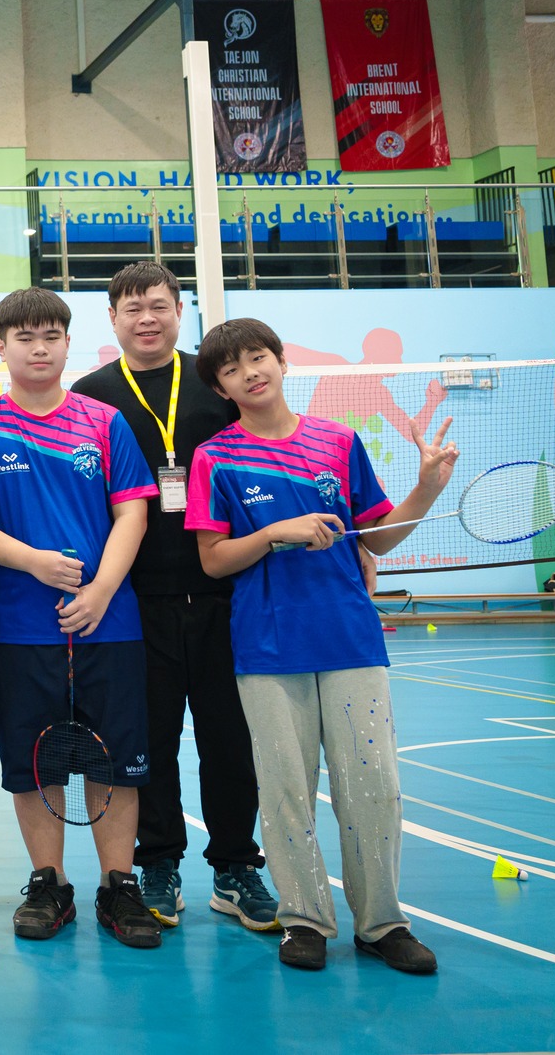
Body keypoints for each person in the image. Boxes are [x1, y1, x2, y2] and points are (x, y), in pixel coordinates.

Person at [187, 317, 456, 976]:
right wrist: (277, 530)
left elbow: (378, 538)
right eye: (232, 368)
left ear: (280, 361)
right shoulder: (215, 457)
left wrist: (427, 486)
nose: (250, 371)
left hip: (349, 637)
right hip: (266, 644)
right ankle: (304, 918)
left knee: (374, 784)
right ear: (222, 387)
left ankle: (382, 922)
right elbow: (214, 560)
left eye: (258, 357)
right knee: (284, 789)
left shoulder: (338, 440)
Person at [69, 263, 279, 930]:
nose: (147, 318)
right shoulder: (90, 396)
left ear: (179, 309)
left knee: (229, 739)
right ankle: (157, 860)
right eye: (132, 308)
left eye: (159, 304)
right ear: (113, 318)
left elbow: (265, 460)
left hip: (225, 593)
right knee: (149, 740)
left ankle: (236, 865)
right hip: (135, 599)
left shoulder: (216, 383)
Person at [0, 287, 160, 950]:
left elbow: (133, 512)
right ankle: (49, 881)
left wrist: (100, 589)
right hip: (16, 625)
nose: (38, 348)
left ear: (68, 343)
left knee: (114, 760)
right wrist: (33, 562)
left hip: (110, 621)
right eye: (25, 337)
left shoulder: (105, 421)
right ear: (2, 346)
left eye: (50, 336)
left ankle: (118, 884)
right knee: (34, 761)